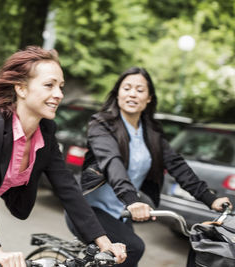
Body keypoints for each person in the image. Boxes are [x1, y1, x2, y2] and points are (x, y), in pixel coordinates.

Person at [0, 46, 128, 267]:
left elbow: (68, 189)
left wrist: (104, 242)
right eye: (49, 85)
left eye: (61, 87)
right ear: (21, 89)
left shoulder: (45, 132)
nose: (59, 94)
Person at [67, 66, 232, 267]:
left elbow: (177, 165)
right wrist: (132, 201)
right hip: (88, 210)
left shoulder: (152, 132)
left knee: (125, 256)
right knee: (135, 248)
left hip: (120, 214)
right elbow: (112, 162)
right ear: (117, 93)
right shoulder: (101, 125)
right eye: (127, 88)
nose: (132, 94)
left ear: (149, 98)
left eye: (139, 89)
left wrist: (210, 198)